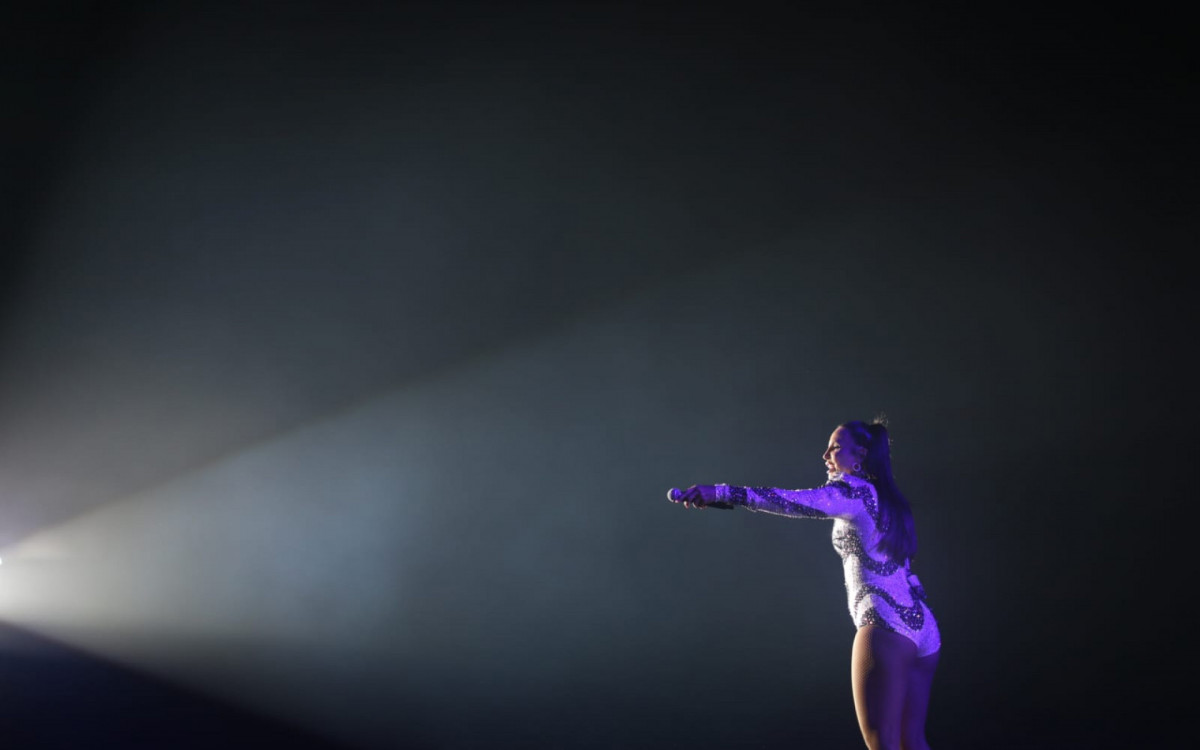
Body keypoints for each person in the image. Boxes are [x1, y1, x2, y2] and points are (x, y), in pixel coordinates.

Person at [667, 419, 940, 750]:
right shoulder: (889, 501)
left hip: (886, 624)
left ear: (860, 456)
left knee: (882, 744)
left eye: (835, 447)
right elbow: (907, 571)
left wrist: (723, 492)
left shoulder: (853, 491)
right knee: (912, 741)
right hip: (923, 627)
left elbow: (793, 501)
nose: (825, 454)